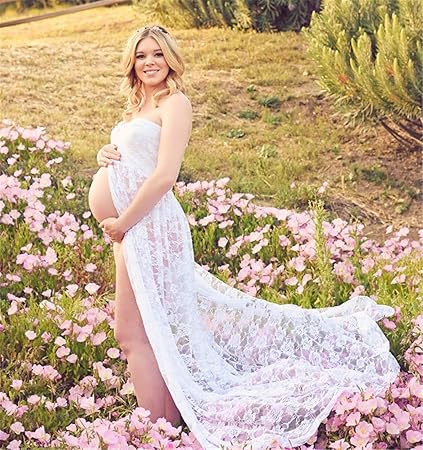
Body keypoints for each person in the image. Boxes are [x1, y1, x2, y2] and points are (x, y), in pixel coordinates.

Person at [90, 25, 400, 450]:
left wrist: (123, 221)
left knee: (133, 333)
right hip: (131, 229)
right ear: (132, 62)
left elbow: (165, 175)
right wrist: (105, 155)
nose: (150, 62)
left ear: (170, 59)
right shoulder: (137, 107)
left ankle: (156, 431)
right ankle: (165, 426)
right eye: (141, 55)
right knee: (146, 331)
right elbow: (135, 158)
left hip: (148, 226)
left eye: (157, 54)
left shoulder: (175, 103)